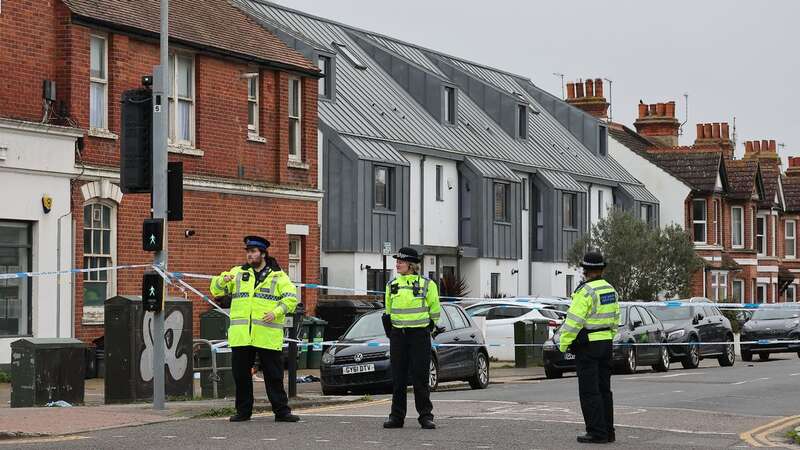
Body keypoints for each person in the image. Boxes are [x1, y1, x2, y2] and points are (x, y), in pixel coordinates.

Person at [209, 235, 300, 423]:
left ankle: (282, 412)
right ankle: (243, 412)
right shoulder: (237, 272)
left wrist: (276, 312)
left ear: (263, 253)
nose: (249, 255)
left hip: (267, 333)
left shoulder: (278, 276)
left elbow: (291, 299)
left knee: (273, 376)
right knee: (241, 376)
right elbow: (215, 290)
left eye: (253, 252)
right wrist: (222, 280)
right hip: (242, 335)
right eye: (248, 252)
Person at [559, 251, 621, 444]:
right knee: (604, 390)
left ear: (585, 269)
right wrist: (608, 337)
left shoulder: (585, 292)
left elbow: (574, 321)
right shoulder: (610, 289)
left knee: (589, 391)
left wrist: (563, 343)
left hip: (588, 346)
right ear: (602, 268)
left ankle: (596, 432)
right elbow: (616, 318)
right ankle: (608, 431)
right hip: (606, 344)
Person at [382, 247, 441, 430]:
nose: (397, 264)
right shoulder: (391, 285)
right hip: (398, 335)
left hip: (419, 336)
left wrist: (427, 328)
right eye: (397, 261)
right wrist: (392, 332)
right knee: (398, 378)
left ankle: (425, 416)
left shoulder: (427, 284)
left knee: (420, 377)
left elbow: (435, 311)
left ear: (411, 265)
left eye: (401, 261)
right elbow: (388, 312)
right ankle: (396, 417)